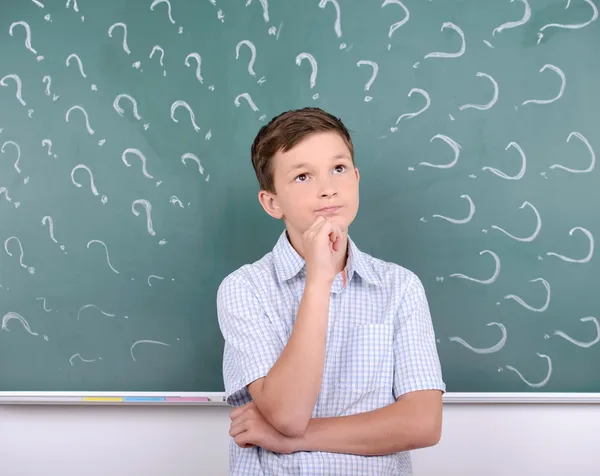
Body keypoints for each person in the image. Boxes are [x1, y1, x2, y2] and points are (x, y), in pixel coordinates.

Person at [216, 107, 446, 475]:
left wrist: (295, 440)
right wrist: (318, 281)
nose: (327, 188)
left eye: (338, 169)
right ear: (272, 202)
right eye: (303, 176)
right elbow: (288, 414)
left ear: (355, 178)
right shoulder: (245, 289)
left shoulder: (400, 287)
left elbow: (422, 423)